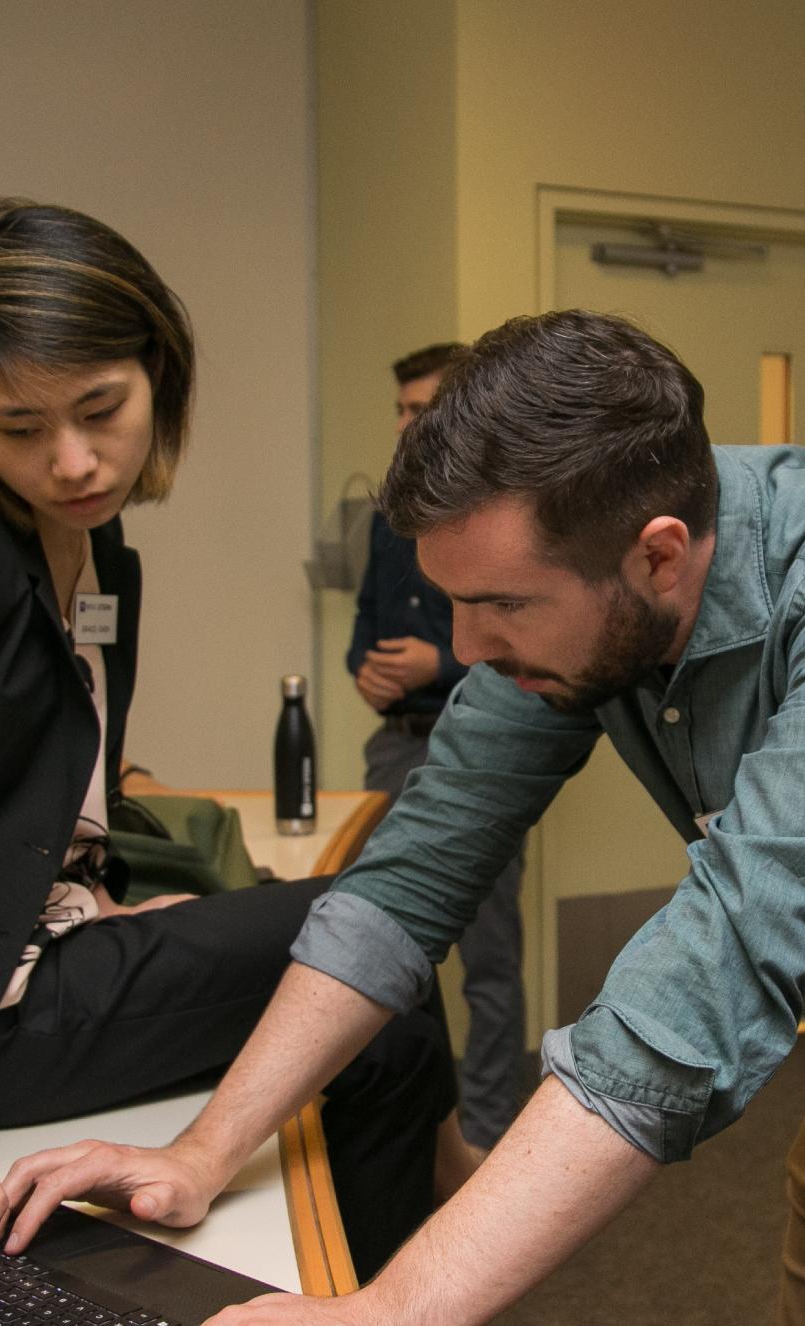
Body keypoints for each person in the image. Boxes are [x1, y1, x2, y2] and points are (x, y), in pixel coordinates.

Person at [0, 310, 805, 1324]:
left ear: (658, 555)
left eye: (500, 607)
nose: (468, 650)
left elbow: (724, 963)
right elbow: (406, 884)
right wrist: (204, 1153)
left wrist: (393, 1314)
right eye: (453, 607)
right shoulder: (573, 623)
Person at [0, 199, 457, 1273]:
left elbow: (42, 786)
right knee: (371, 926)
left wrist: (99, 895)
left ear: (158, 370)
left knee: (372, 1001)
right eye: (20, 428)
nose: (73, 461)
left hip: (41, 949)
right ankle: (413, 1239)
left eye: (101, 409)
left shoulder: (103, 553)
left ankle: (374, 1269)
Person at [347, 340, 528, 1151]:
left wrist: (438, 660)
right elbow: (363, 627)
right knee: (379, 947)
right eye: (400, 411)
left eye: (421, 410)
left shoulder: (512, 517)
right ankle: (417, 1130)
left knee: (488, 961)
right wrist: (367, 672)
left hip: (480, 751)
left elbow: (523, 637)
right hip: (395, 746)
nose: (405, 425)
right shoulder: (389, 519)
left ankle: (487, 1133)